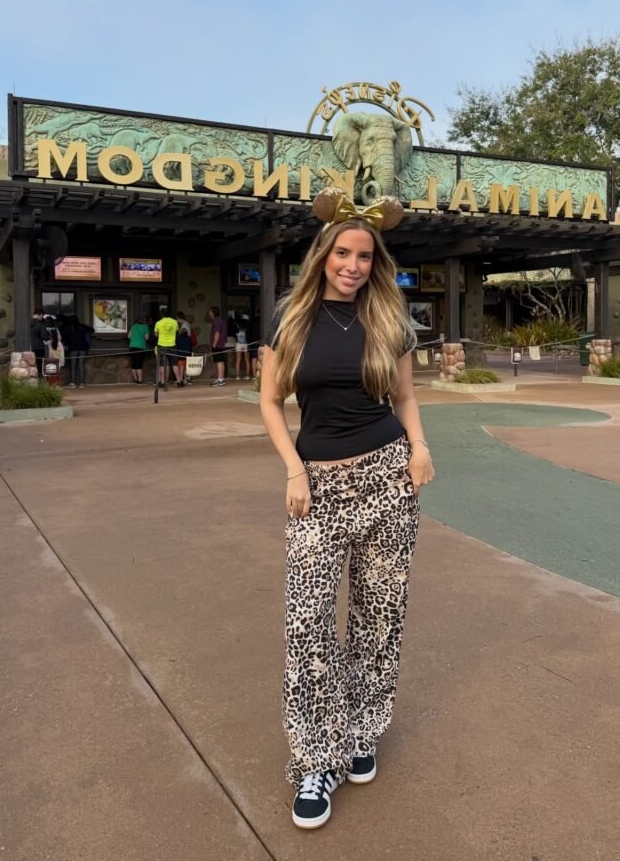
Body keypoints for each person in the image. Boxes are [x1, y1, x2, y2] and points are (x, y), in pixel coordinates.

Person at [260, 188, 435, 830]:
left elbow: (408, 398)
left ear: (376, 262)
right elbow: (270, 403)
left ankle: (362, 729)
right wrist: (293, 468)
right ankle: (315, 756)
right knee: (308, 625)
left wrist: (418, 448)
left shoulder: (390, 319)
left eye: (365, 255)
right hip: (318, 488)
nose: (353, 265)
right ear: (323, 255)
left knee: (378, 618)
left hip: (389, 478)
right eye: (343, 252)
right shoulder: (291, 319)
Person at [66, 315, 94, 388]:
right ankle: (82, 383)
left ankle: (73, 383)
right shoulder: (82, 326)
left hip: (72, 349)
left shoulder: (69, 328)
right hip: (83, 348)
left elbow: (65, 338)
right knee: (81, 365)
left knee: (73, 366)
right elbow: (92, 330)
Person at [153, 305, 178, 387]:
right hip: (172, 345)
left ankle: (163, 382)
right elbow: (176, 331)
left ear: (162, 314)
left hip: (162, 345)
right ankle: (179, 380)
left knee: (162, 364)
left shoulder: (158, 323)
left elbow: (156, 335)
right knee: (174, 364)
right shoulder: (175, 322)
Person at [206, 306, 227, 387]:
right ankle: (221, 378)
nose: (209, 313)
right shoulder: (221, 320)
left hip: (218, 344)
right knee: (221, 361)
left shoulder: (216, 321)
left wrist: (214, 343)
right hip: (222, 344)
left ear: (213, 312)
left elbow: (217, 333)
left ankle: (220, 379)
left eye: (210, 312)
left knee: (219, 361)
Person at [128, 315, 150, 384]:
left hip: (132, 346)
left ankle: (136, 379)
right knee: (139, 364)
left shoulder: (133, 326)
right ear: (144, 321)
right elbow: (146, 338)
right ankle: (140, 380)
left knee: (134, 364)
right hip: (140, 347)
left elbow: (129, 336)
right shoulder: (145, 326)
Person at [174, 312, 193, 387]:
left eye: (177, 318)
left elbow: (184, 334)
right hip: (187, 349)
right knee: (186, 364)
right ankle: (187, 378)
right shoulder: (187, 324)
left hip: (182, 350)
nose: (177, 320)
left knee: (181, 364)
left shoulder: (184, 326)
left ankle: (181, 379)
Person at [30, 309, 49, 378]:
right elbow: (45, 337)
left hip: (28, 348)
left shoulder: (26, 323)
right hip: (39, 348)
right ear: (40, 314)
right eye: (42, 316)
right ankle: (40, 383)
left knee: (30, 366)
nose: (42, 317)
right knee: (39, 367)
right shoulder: (41, 325)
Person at [234, 314, 251, 380]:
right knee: (247, 360)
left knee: (238, 360)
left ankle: (237, 376)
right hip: (246, 344)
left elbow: (234, 333)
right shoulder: (248, 325)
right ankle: (247, 376)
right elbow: (249, 335)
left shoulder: (237, 325)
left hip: (238, 344)